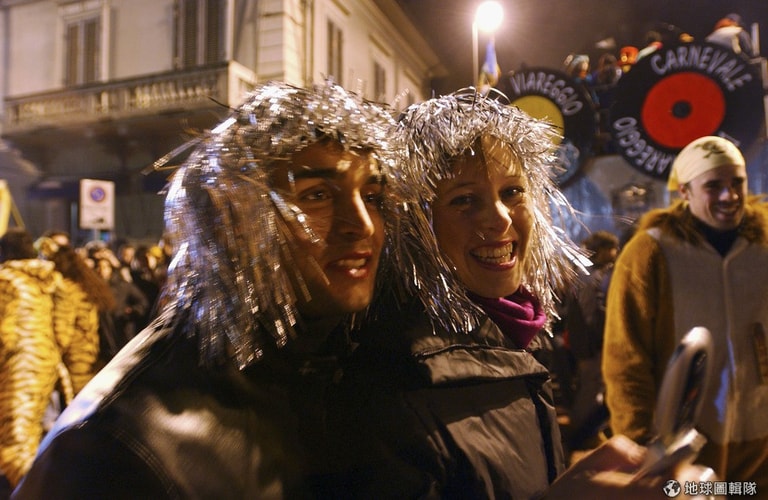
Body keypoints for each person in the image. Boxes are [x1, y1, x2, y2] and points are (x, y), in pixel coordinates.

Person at [11, 80, 399, 498]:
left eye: (372, 196)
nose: (362, 225)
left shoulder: (360, 368)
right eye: (317, 195)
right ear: (234, 219)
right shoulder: (118, 444)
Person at [334, 90, 712, 498]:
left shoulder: (511, 341)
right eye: (464, 200)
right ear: (413, 226)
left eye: (513, 192)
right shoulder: (390, 384)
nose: (499, 218)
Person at [603, 135, 768, 490]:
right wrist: (640, 442)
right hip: (684, 447)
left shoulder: (763, 246)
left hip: (760, 439)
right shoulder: (650, 253)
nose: (729, 195)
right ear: (685, 192)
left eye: (737, 182)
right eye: (713, 186)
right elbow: (625, 359)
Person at [565, 230, 619, 451]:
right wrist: (601, 336)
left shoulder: (589, 272)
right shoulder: (589, 275)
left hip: (587, 341)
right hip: (588, 342)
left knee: (593, 385)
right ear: (604, 250)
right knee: (590, 386)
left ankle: (589, 432)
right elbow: (589, 314)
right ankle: (579, 435)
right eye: (613, 249)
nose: (615, 253)